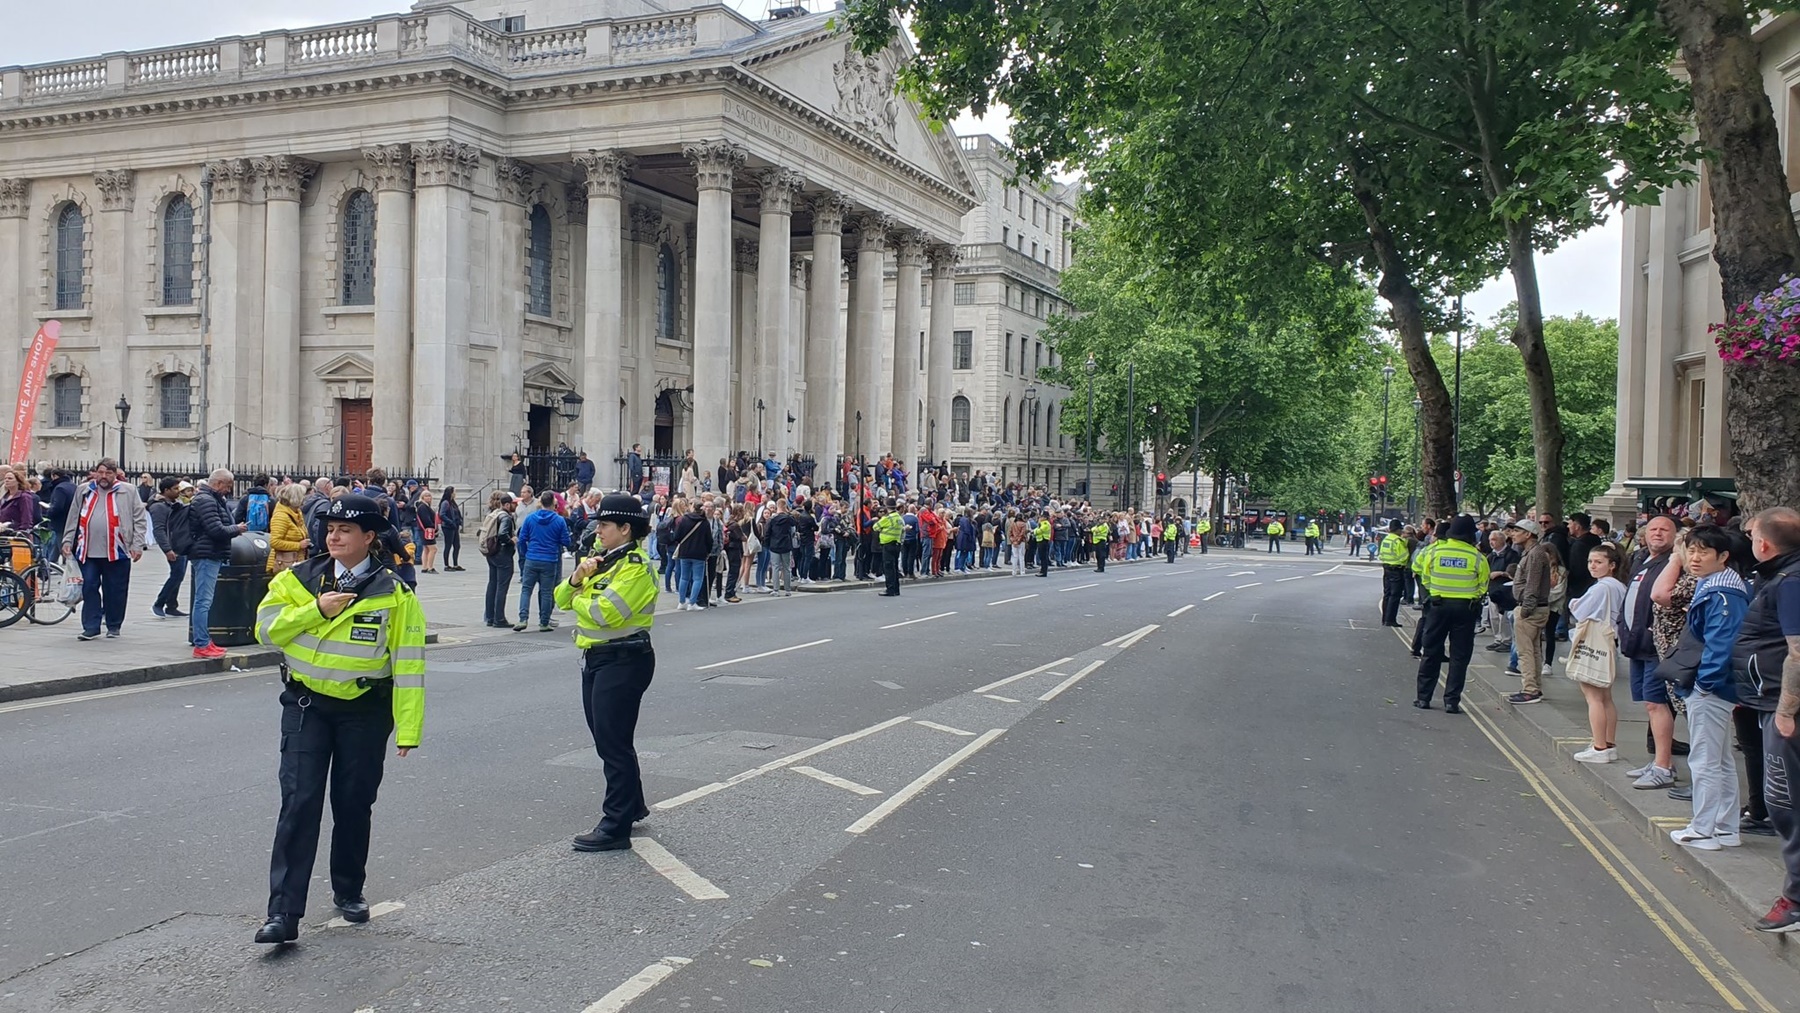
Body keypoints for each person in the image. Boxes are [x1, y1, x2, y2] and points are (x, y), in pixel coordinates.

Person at [252, 493, 426, 944]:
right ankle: (283, 913)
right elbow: (265, 630)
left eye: (345, 530)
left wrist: (408, 728)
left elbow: (408, 662)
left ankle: (349, 889)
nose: (333, 536)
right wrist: (316, 610)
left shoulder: (395, 593)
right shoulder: (299, 579)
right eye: (329, 528)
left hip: (365, 711)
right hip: (307, 705)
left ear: (369, 538)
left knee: (353, 803)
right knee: (299, 802)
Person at [557, 493, 658, 852]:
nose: (597, 531)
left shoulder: (635, 566)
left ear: (625, 528)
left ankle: (615, 826)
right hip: (597, 658)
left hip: (625, 659)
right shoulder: (602, 562)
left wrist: (579, 596)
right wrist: (577, 580)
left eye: (603, 525)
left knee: (612, 742)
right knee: (609, 739)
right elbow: (559, 598)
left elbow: (606, 614)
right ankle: (633, 805)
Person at [1736, 508, 1800, 932]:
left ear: (1765, 543)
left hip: (1784, 707)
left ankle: (1794, 900)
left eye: (1751, 533)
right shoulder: (1781, 576)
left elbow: (1798, 650)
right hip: (1768, 699)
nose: (1748, 540)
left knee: (1785, 803)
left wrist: (1786, 711)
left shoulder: (1791, 582)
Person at [1668, 523, 1751, 853]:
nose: (1695, 557)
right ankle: (1725, 828)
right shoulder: (1723, 587)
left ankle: (1704, 829)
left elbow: (1722, 644)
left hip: (1713, 687)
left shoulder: (1722, 594)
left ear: (1724, 556)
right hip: (1720, 686)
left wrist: (1704, 684)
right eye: (1691, 549)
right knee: (1720, 759)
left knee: (1704, 760)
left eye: (1704, 551)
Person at [1621, 515, 1680, 788]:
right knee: (1650, 704)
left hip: (1657, 647)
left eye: (1664, 529)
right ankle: (1660, 759)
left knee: (1657, 703)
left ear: (1675, 535)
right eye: (1653, 529)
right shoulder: (1641, 559)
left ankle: (1663, 767)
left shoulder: (1674, 562)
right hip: (1638, 645)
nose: (1658, 533)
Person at [61, 459, 148, 642]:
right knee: (89, 586)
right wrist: (68, 540)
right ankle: (91, 626)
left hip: (117, 549)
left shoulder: (128, 491)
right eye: (100, 472)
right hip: (87, 549)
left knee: (115, 589)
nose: (103, 476)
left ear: (115, 474)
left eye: (108, 473)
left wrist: (137, 545)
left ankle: (114, 624)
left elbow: (139, 520)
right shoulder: (84, 490)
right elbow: (73, 516)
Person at [1413, 516, 1489, 714]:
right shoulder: (1477, 556)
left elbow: (1425, 576)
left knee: (1430, 653)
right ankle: (1451, 701)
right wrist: (1470, 596)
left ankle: (1423, 698)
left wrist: (1434, 592)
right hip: (1465, 609)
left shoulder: (1435, 551)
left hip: (1438, 607)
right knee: (1459, 657)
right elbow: (1483, 585)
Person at [1567, 543, 1628, 762]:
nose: (1593, 566)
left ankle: (1599, 746)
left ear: (1611, 565)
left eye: (1599, 562)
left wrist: (1573, 602)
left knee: (1593, 697)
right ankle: (1608, 743)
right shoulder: (1618, 586)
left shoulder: (1602, 587)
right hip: (1611, 640)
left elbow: (1581, 610)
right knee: (1605, 696)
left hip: (1595, 642)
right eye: (1590, 561)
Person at [1505, 518, 1555, 705]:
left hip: (1531, 609)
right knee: (1533, 651)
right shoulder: (1534, 552)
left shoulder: (1534, 554)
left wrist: (1525, 609)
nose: (1513, 534)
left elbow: (1532, 584)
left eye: (1517, 531)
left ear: (1528, 534)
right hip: (1535, 608)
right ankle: (1535, 687)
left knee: (1525, 651)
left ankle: (1530, 690)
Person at [516, 491, 569, 631]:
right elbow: (566, 541)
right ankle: (544, 622)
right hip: (550, 559)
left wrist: (526, 553)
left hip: (532, 557)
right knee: (546, 592)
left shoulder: (530, 518)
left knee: (526, 589)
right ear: (553, 503)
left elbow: (522, 539)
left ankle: (523, 619)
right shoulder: (559, 520)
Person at [479, 491, 518, 628]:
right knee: (502, 586)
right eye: (513, 504)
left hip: (491, 552)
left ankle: (490, 616)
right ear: (507, 504)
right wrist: (511, 541)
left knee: (492, 584)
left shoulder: (494, 513)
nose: (515, 506)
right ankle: (499, 618)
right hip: (502, 554)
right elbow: (502, 534)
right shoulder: (506, 517)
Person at [268, 482, 311, 573]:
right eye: (303, 496)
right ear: (296, 498)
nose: (305, 498)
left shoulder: (296, 513)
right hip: (284, 565)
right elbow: (274, 542)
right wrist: (298, 545)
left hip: (296, 562)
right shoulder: (281, 516)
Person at [1377, 520, 1409, 627]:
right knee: (1395, 595)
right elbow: (1404, 557)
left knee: (1387, 594)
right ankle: (1390, 620)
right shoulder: (1398, 541)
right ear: (1398, 530)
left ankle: (1385, 618)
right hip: (1397, 569)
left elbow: (1381, 555)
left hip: (1386, 568)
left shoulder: (1386, 539)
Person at [875, 501, 903, 597]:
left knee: (888, 568)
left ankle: (890, 589)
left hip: (887, 544)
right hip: (897, 544)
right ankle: (896, 589)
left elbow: (875, 527)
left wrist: (882, 528)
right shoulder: (899, 518)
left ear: (887, 507)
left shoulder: (887, 518)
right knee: (895, 567)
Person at [439, 487, 465, 571]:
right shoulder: (445, 503)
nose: (455, 494)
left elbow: (457, 513)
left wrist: (460, 521)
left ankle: (455, 564)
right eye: (454, 492)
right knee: (448, 545)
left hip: (454, 526)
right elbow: (442, 514)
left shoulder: (452, 503)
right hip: (448, 527)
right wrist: (450, 522)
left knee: (457, 545)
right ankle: (446, 565)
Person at [416, 490, 439, 573]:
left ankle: (425, 567)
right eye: (426, 496)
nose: (428, 497)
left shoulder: (424, 506)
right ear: (422, 497)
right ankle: (430, 567)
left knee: (426, 549)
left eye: (429, 496)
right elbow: (426, 520)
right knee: (433, 549)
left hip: (424, 530)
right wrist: (434, 527)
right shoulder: (423, 507)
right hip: (427, 530)